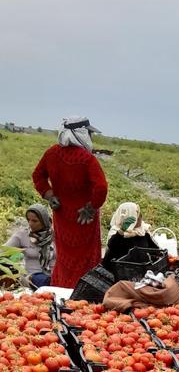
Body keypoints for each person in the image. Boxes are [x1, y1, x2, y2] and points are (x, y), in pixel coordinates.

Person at [32, 117, 108, 288]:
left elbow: (37, 176)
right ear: (80, 133)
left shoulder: (51, 153)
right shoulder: (87, 159)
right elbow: (101, 187)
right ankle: (85, 289)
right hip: (84, 218)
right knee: (86, 256)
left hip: (62, 214)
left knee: (64, 254)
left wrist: (50, 195)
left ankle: (62, 287)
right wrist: (91, 207)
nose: (91, 136)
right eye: (89, 133)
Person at [4, 204, 56, 287]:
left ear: (44, 221)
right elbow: (3, 252)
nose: (30, 223)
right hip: (32, 278)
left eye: (35, 221)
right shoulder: (22, 235)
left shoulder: (57, 235)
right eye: (28, 220)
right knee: (43, 279)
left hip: (56, 277)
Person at [102, 202, 159, 274]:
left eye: (139, 216)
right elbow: (112, 246)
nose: (140, 219)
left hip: (138, 271)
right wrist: (122, 231)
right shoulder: (117, 232)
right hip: (117, 272)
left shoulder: (142, 230)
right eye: (137, 217)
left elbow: (154, 249)